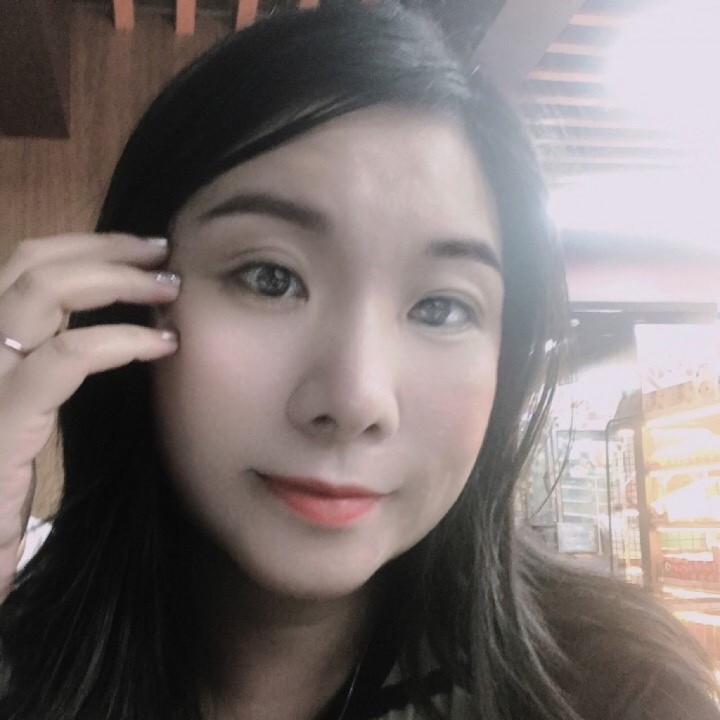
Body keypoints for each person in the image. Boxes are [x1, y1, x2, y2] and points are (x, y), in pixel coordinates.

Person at [0, 3, 717, 719]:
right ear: (133, 299)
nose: (355, 400)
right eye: (270, 279)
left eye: (441, 308)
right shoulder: (20, 660)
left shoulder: (617, 693)